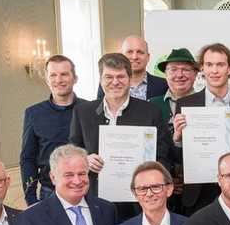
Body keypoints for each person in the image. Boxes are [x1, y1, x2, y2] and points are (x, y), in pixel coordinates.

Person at [69, 53, 173, 210]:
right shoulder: (83, 112)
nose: (115, 82)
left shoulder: (151, 112)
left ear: (130, 79)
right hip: (95, 200)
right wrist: (85, 160)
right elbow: (72, 152)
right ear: (100, 80)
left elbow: (164, 156)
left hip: (140, 201)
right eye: (108, 77)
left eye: (121, 77)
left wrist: (149, 171)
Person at [173, 43, 230, 215]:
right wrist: (177, 139)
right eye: (209, 65)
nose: (214, 70)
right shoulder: (185, 105)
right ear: (202, 69)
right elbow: (177, 158)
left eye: (220, 65)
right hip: (198, 194)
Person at [20, 55, 93, 205]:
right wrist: (31, 199)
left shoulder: (90, 110)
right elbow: (28, 158)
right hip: (49, 192)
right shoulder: (34, 113)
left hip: (86, 190)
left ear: (75, 78)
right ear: (47, 80)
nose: (58, 80)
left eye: (64, 74)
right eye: (53, 75)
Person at [96, 35, 168, 101]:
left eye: (140, 52)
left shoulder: (163, 85)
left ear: (148, 57)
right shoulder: (108, 84)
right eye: (130, 52)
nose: (134, 57)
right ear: (122, 55)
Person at [148, 47, 198, 132]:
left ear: (195, 74)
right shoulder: (152, 105)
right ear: (166, 74)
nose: (179, 75)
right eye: (173, 70)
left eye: (185, 69)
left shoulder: (206, 104)